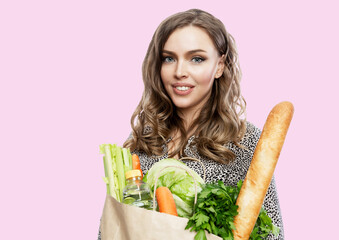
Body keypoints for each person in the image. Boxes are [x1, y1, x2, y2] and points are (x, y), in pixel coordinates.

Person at [99, 8, 284, 240]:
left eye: (197, 59)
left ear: (220, 66)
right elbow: (113, 227)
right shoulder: (145, 137)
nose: (179, 72)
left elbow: (271, 232)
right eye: (169, 58)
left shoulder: (244, 140)